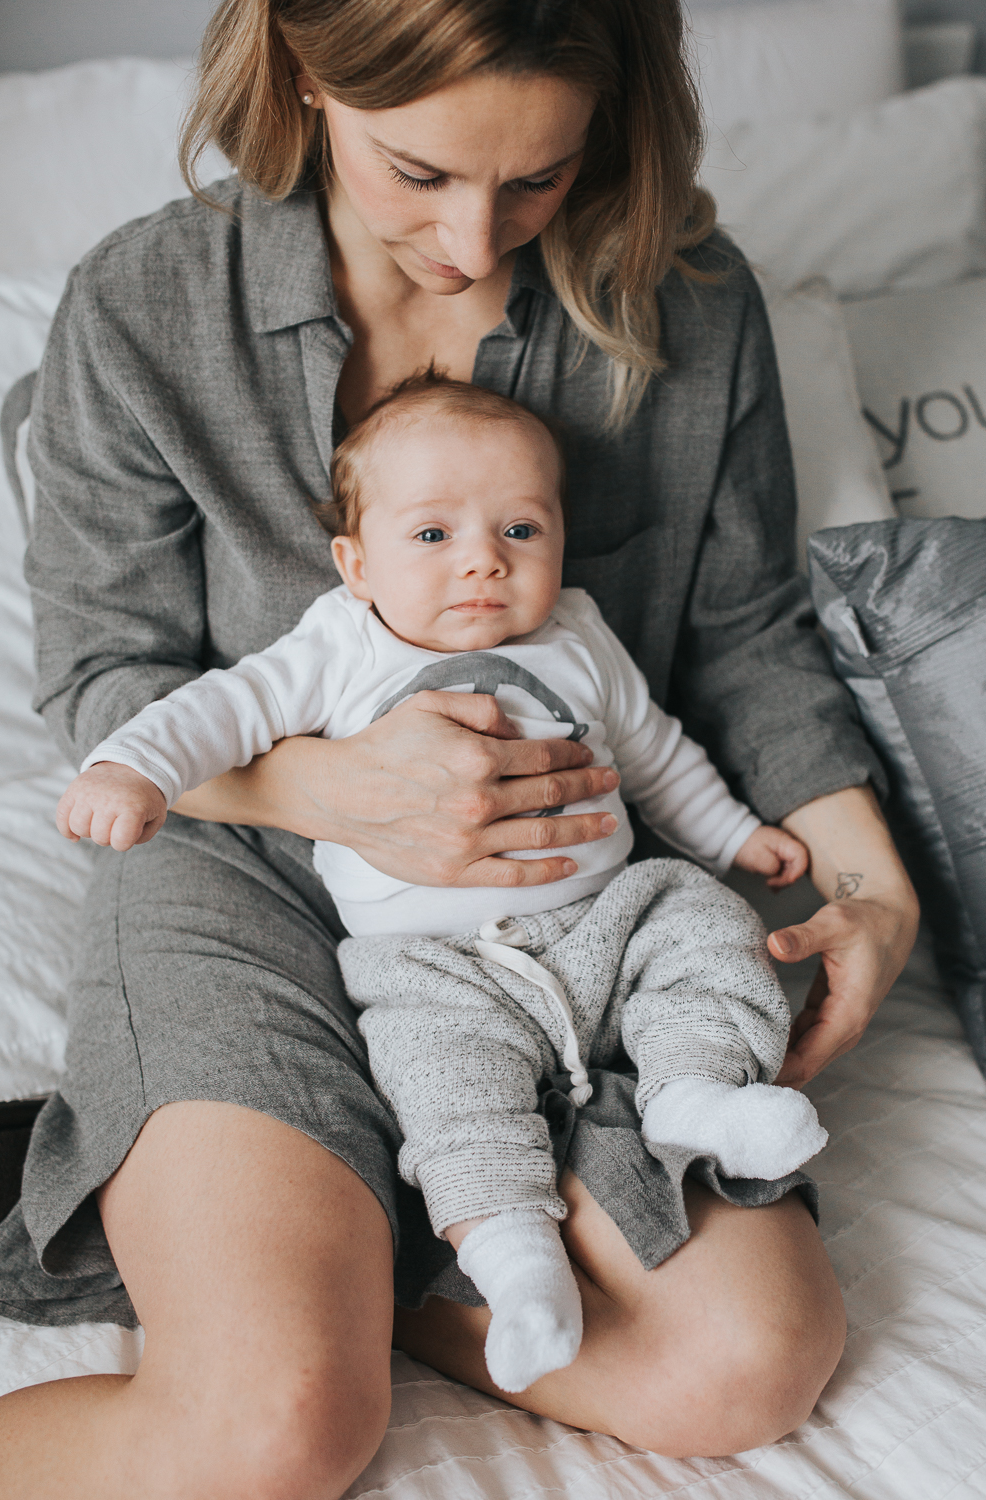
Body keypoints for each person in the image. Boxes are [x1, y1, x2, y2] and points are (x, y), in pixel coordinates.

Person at [0, 0, 918, 1493]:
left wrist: (875, 893)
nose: (478, 240)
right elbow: (107, 676)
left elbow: (741, 641)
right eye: (417, 171)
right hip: (247, 889)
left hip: (570, 911)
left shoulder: (689, 299)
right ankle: (297, 1266)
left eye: (539, 177)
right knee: (276, 1427)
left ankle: (367, 1251)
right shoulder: (148, 302)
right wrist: (336, 791)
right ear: (303, 73)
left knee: (748, 1360)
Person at [55, 372, 829, 1394]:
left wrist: (732, 833)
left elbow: (653, 753)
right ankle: (516, 1265)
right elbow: (218, 711)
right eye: (432, 537)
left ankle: (695, 1093)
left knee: (702, 924)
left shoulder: (581, 637)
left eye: (519, 529)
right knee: (449, 1095)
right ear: (354, 561)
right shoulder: (338, 645)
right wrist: (131, 768)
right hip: (430, 967)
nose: (481, 560)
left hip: (602, 917)